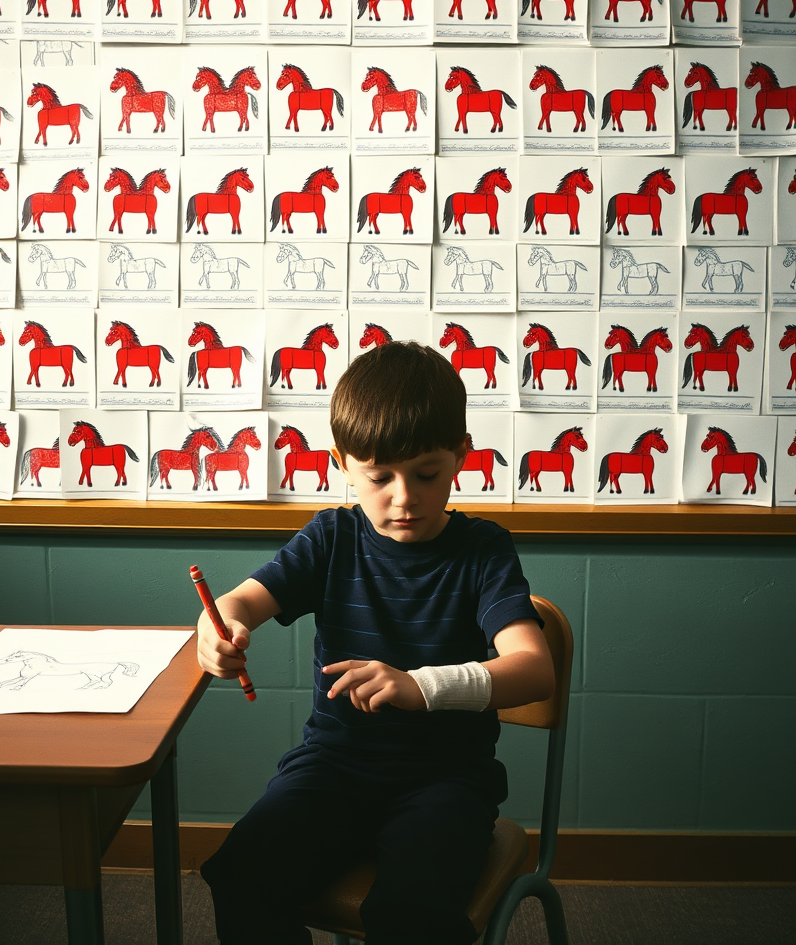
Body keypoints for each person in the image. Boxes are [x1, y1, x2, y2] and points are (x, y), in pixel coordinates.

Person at [197, 340, 554, 945]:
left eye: (427, 474)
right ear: (342, 462)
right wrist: (219, 628)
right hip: (334, 766)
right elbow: (239, 602)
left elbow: (534, 669)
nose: (404, 497)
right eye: (378, 476)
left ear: (462, 456)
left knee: (410, 913)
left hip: (447, 781)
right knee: (242, 875)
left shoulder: (483, 550)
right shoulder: (331, 537)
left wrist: (422, 686)